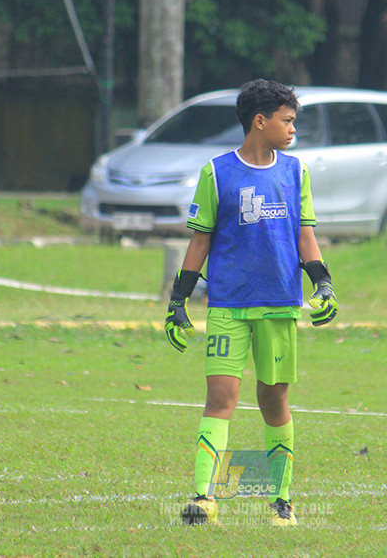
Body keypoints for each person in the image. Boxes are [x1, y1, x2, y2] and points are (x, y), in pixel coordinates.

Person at [164, 78, 339, 527]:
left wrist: (322, 285)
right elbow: (200, 241)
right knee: (221, 395)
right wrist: (178, 298)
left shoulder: (296, 171)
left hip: (280, 303)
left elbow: (305, 236)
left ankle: (280, 500)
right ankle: (204, 498)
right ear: (259, 122)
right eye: (287, 120)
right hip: (227, 305)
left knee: (273, 400)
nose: (293, 128)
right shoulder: (216, 173)